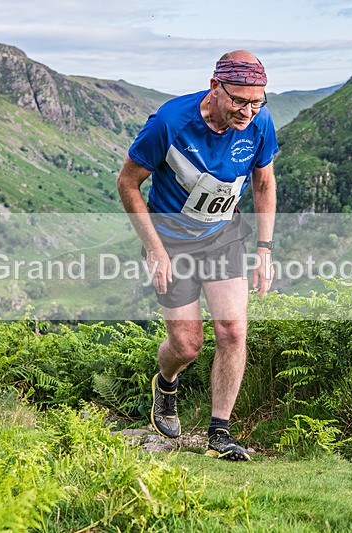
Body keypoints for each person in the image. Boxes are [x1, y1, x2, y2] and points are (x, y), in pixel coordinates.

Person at [116, 50, 278, 461]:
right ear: (214, 87)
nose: (247, 111)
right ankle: (166, 382)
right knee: (187, 344)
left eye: (256, 102)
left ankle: (219, 432)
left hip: (223, 236)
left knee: (233, 332)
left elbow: (263, 183)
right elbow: (128, 183)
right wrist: (154, 249)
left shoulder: (259, 122)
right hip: (171, 241)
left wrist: (265, 248)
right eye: (238, 101)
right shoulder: (170, 123)